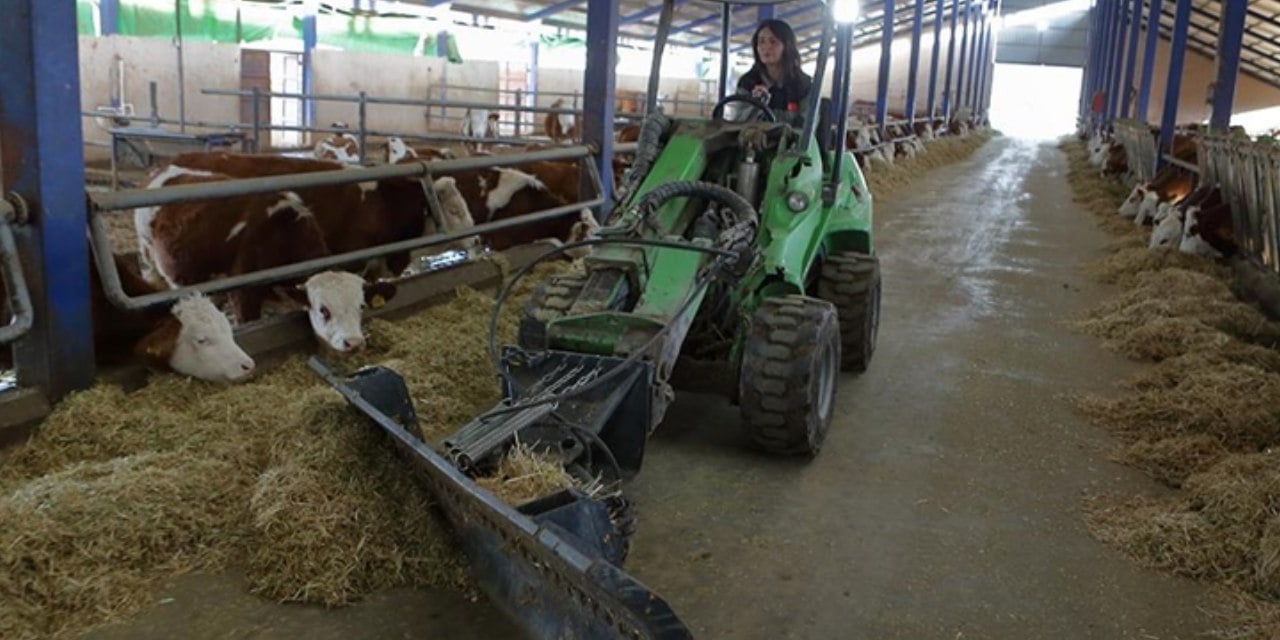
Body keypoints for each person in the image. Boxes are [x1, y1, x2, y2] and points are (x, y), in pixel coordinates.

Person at [736, 19, 813, 115]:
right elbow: (738, 121)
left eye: (773, 42)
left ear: (787, 46)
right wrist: (755, 104)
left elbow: (806, 123)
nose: (766, 47)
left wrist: (767, 115)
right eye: (761, 42)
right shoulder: (747, 82)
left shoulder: (803, 84)